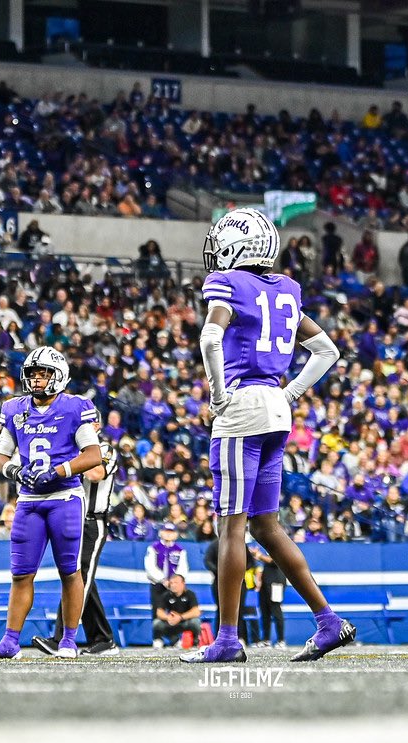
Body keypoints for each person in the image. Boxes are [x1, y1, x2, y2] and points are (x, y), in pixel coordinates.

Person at [182, 207, 356, 664]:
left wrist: (219, 395)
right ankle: (329, 622)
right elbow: (327, 350)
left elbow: (210, 339)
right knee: (266, 525)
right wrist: (292, 392)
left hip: (242, 408)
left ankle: (226, 640)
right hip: (277, 410)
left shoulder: (229, 285)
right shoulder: (286, 289)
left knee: (231, 527)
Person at [0, 347, 102, 660]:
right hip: (29, 500)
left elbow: (93, 455)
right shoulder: (15, 408)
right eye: (33, 373)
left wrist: (57, 471)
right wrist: (16, 470)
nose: (36, 378)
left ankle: (69, 641)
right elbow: (1, 456)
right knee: (20, 574)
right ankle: (9, 643)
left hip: (65, 498)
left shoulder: (74, 407)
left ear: (58, 375)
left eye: (43, 373)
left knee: (70, 572)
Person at [32, 411, 120, 657]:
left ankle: (61, 638)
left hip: (93, 522)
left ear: (97, 425)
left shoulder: (104, 449)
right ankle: (103, 639)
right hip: (73, 518)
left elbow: (96, 473)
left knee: (77, 577)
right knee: (79, 577)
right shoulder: (70, 448)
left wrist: (71, 461)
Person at [145, 523, 189, 618]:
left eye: (171, 532)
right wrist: (162, 579)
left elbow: (183, 567)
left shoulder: (180, 550)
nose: (168, 534)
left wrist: (175, 581)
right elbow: (150, 567)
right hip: (158, 585)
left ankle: (174, 632)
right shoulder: (153, 548)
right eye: (166, 531)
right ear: (161, 533)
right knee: (157, 612)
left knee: (175, 612)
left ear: (176, 534)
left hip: (174, 586)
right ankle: (158, 632)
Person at [250, 544, 286, 648]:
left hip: (276, 584)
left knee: (276, 611)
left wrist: (259, 555)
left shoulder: (280, 548)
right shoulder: (267, 549)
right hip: (265, 585)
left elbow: (274, 561)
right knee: (264, 612)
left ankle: (281, 640)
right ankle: (266, 639)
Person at [152, 574, 201, 649]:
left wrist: (180, 617)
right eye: (171, 583)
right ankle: (161, 640)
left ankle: (195, 642)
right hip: (171, 622)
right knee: (157, 623)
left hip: (185, 621)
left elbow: (196, 611)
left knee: (195, 621)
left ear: (183, 584)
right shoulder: (166, 595)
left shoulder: (190, 594)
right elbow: (159, 612)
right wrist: (168, 617)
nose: (173, 585)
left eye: (176, 583)